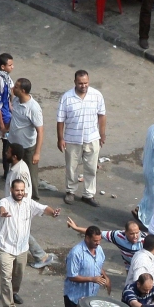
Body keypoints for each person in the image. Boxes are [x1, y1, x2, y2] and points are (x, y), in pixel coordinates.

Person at [0, 180, 61, 307]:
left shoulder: (29, 203)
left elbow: (44, 208)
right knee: (6, 277)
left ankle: (14, 292)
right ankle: (9, 306)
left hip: (22, 248)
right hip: (5, 247)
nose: (20, 193)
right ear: (11, 190)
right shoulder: (5, 202)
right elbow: (1, 208)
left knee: (18, 274)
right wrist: (3, 213)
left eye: (22, 190)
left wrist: (53, 213)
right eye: (17, 190)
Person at [58, 70, 106, 207]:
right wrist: (60, 138)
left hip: (92, 138)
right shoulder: (66, 98)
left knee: (91, 168)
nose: (83, 86)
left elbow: (102, 115)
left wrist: (102, 134)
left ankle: (88, 194)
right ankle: (70, 191)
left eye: (86, 83)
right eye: (80, 83)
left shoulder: (97, 95)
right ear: (75, 82)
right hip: (72, 139)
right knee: (71, 168)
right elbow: (60, 120)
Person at [64, 225, 110, 307]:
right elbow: (72, 276)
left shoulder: (99, 249)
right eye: (95, 241)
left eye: (99, 240)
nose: (98, 243)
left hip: (91, 299)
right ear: (87, 238)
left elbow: (98, 266)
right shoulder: (76, 253)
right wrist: (92, 279)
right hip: (75, 299)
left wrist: (106, 277)